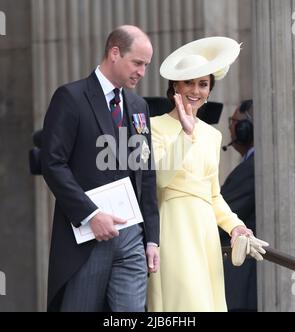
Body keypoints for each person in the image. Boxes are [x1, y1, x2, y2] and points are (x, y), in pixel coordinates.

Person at [41, 25, 160, 312]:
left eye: (146, 65)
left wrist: (152, 239)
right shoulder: (70, 97)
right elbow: (52, 163)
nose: (142, 72)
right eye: (138, 63)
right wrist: (90, 214)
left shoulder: (138, 105)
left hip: (132, 237)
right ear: (114, 53)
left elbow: (146, 172)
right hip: (87, 239)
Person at [147, 37, 264, 312]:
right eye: (189, 82)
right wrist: (185, 135)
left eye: (203, 84)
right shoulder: (154, 127)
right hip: (172, 229)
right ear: (175, 85)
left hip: (206, 238)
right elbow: (159, 181)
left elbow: (213, 195)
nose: (196, 90)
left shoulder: (213, 135)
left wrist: (235, 226)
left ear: (210, 90)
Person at [220, 99, 257, 311]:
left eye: (234, 122)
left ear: (246, 129)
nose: (230, 127)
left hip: (245, 281)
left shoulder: (253, 169)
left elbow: (221, 216)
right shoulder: (249, 165)